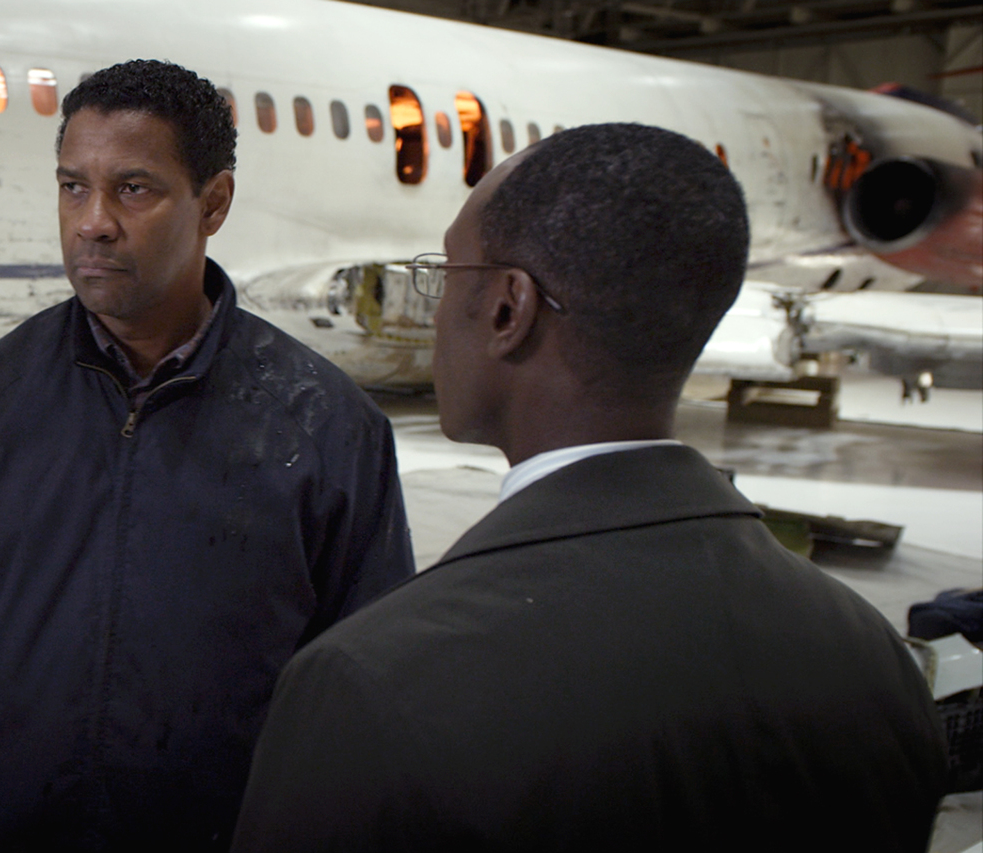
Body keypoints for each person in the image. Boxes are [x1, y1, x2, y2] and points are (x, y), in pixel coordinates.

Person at [231, 123, 948, 852]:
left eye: (446, 273)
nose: (440, 306)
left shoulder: (373, 683)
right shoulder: (871, 658)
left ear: (510, 310)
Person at [0, 59, 415, 852]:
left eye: (133, 188)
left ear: (212, 202)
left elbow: (363, 694)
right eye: (72, 187)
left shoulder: (325, 428)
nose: (93, 221)